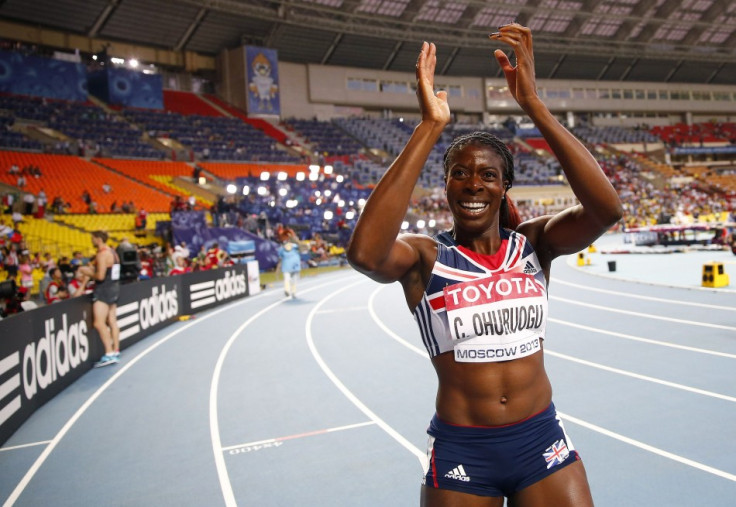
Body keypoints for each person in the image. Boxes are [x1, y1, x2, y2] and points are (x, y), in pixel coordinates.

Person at [347, 25, 622, 507]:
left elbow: (606, 211)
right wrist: (429, 126)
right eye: (460, 174)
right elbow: (367, 255)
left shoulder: (534, 244)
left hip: (541, 440)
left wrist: (534, 104)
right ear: (447, 187)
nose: (473, 184)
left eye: (487, 175)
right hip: (463, 451)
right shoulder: (425, 258)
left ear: (504, 188)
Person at [78, 231, 122, 368]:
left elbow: (100, 276)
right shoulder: (113, 252)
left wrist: (86, 271)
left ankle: (109, 353)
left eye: (92, 239)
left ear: (98, 239)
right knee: (112, 321)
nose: (91, 241)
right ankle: (115, 350)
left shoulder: (102, 254)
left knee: (98, 323)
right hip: (114, 288)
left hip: (104, 290)